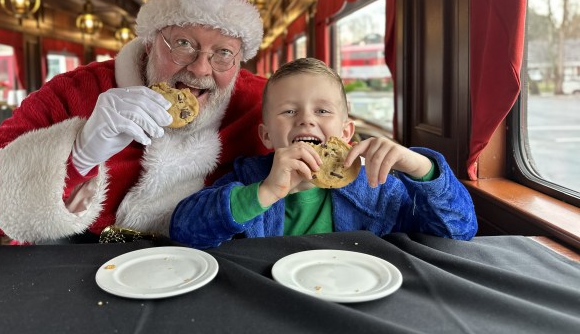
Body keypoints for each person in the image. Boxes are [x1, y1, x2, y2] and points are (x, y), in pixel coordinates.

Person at [0, 0, 268, 243]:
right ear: (149, 43)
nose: (200, 68)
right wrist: (78, 153)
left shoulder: (262, 103)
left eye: (223, 53)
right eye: (182, 44)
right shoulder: (75, 92)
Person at [170, 58, 478, 249]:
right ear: (266, 135)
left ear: (346, 133)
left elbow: (457, 232)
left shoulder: (377, 187)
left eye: (322, 110)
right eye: (289, 111)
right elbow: (184, 230)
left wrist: (421, 167)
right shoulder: (248, 177)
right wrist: (264, 193)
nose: (306, 119)